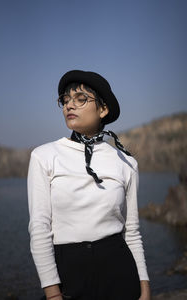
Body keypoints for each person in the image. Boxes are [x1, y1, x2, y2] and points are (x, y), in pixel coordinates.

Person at [27, 70, 151, 300]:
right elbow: (39, 228)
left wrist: (144, 289)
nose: (69, 106)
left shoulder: (127, 163)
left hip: (121, 275)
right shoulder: (44, 156)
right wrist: (53, 293)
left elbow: (131, 232)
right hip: (69, 277)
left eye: (80, 99)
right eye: (65, 100)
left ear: (103, 109)